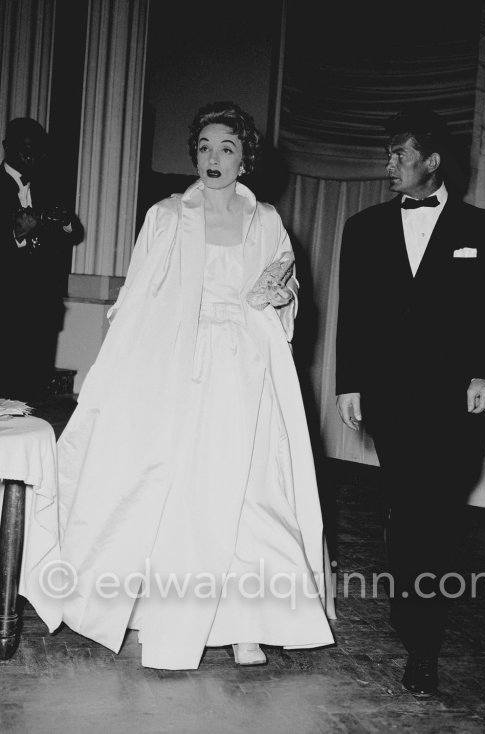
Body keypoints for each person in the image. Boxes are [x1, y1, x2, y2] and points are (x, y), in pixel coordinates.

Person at [57, 101, 335, 670]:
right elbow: (135, 299)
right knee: (179, 490)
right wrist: (115, 373)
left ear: (244, 158)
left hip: (246, 370)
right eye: (205, 147)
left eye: (226, 148)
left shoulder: (268, 221)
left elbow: (285, 293)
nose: (213, 158)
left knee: (253, 493)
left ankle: (247, 623)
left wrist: (279, 295)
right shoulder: (164, 215)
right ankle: (167, 619)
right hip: (178, 369)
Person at [336, 105, 485, 695]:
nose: (388, 165)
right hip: (391, 397)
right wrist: (350, 382)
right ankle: (417, 621)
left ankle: (422, 639)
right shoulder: (363, 228)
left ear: (432, 162)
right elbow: (354, 315)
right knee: (408, 510)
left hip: (455, 401)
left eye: (399, 155)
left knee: (435, 516)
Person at [0, 117, 82, 400]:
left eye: (37, 151)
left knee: (31, 388)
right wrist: (17, 233)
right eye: (26, 150)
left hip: (41, 306)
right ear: (6, 147)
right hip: (6, 306)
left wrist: (67, 221)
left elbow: (74, 233)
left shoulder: (47, 187)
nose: (32, 157)